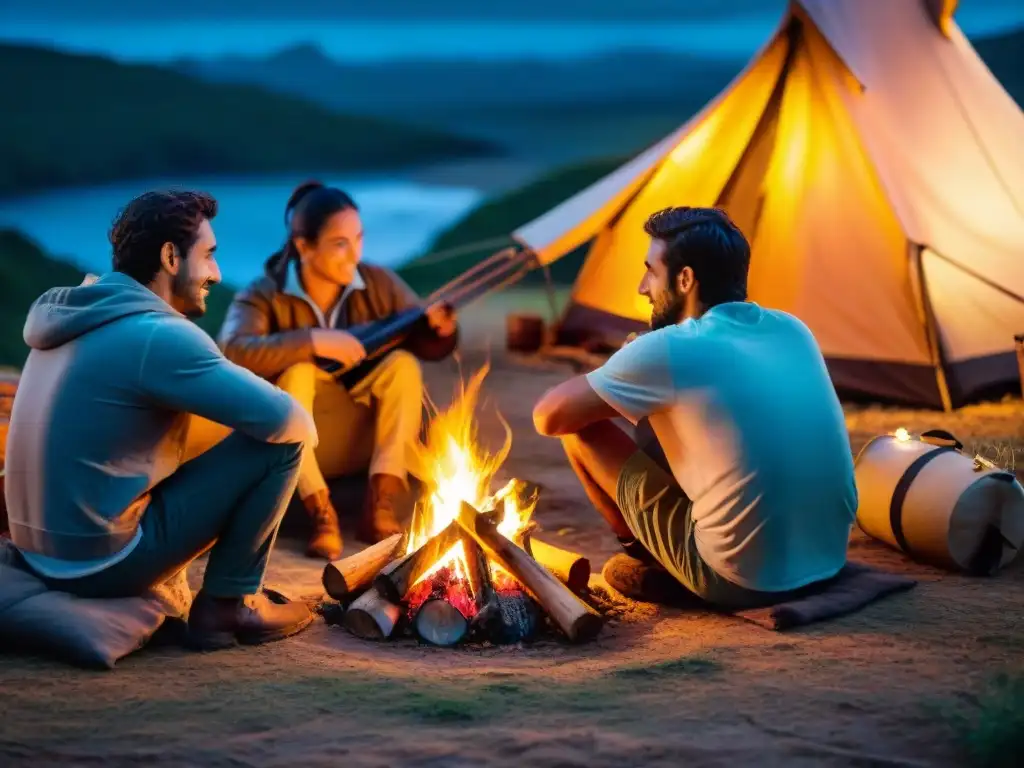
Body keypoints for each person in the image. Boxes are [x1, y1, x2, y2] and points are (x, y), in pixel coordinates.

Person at [4, 190, 319, 651]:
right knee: (280, 444)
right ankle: (229, 604)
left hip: (37, 554)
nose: (216, 273)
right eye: (208, 255)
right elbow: (293, 423)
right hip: (98, 565)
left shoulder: (74, 315)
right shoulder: (158, 334)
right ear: (171, 257)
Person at [532, 207, 857, 610]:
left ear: (685, 279)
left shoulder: (670, 347)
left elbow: (549, 416)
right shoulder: (792, 328)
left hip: (743, 579)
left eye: (651, 272)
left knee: (579, 430)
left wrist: (621, 365)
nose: (642, 287)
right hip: (828, 557)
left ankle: (649, 559)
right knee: (666, 418)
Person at [213, 181, 458, 559]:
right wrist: (312, 341)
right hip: (296, 438)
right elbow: (233, 349)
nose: (354, 253)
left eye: (358, 239)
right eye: (340, 244)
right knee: (298, 373)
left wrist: (439, 330)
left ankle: (381, 499)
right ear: (304, 246)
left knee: (403, 365)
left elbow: (417, 334)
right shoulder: (263, 293)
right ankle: (320, 511)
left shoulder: (377, 283)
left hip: (359, 433)